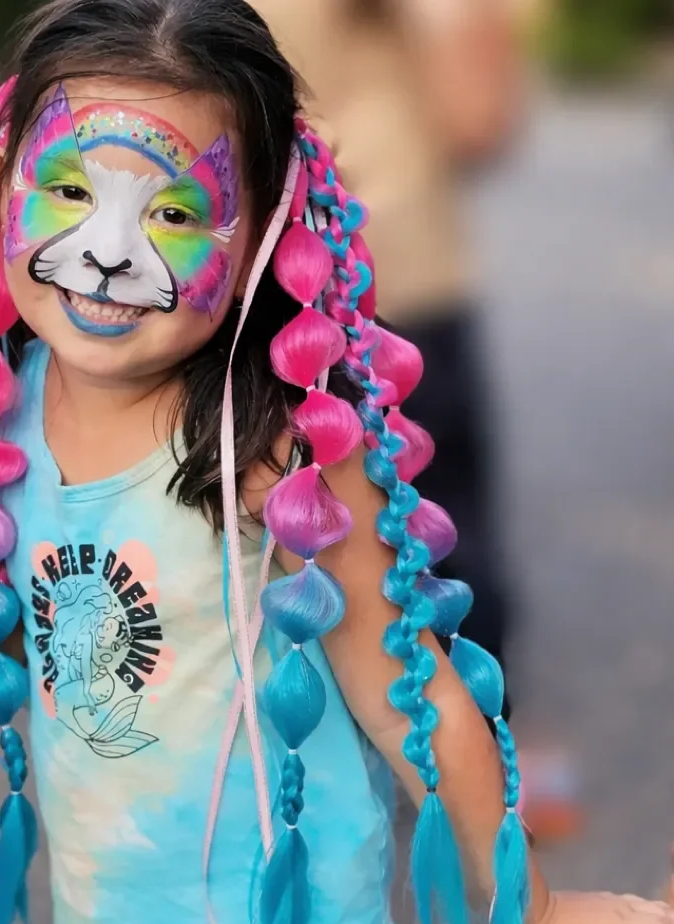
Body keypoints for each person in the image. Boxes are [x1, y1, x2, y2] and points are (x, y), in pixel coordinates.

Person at [0, 1, 674, 924]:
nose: (105, 256)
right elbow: (12, 665)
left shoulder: (273, 455)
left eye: (173, 214)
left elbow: (410, 686)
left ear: (263, 233)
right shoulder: (1, 419)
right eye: (68, 191)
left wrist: (531, 901)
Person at [248, 0, 583, 843]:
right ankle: (456, 753)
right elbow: (480, 119)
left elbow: (479, 118)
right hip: (320, 281)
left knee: (421, 532)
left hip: (367, 284)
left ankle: (473, 755)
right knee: (371, 532)